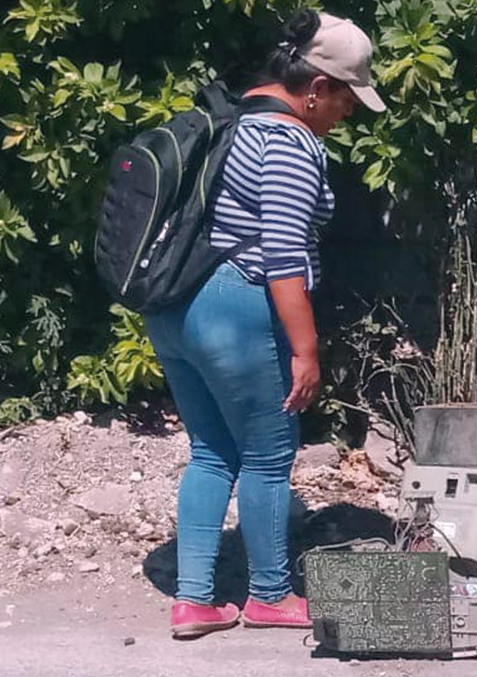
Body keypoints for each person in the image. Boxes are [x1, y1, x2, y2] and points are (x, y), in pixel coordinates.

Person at [146, 9, 385, 640]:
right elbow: (282, 254)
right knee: (269, 457)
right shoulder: (288, 143)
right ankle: (271, 595)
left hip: (173, 307)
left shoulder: (231, 123)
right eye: (346, 98)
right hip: (234, 306)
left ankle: (194, 599)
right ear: (317, 88)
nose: (348, 113)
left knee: (210, 451)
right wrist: (306, 351)